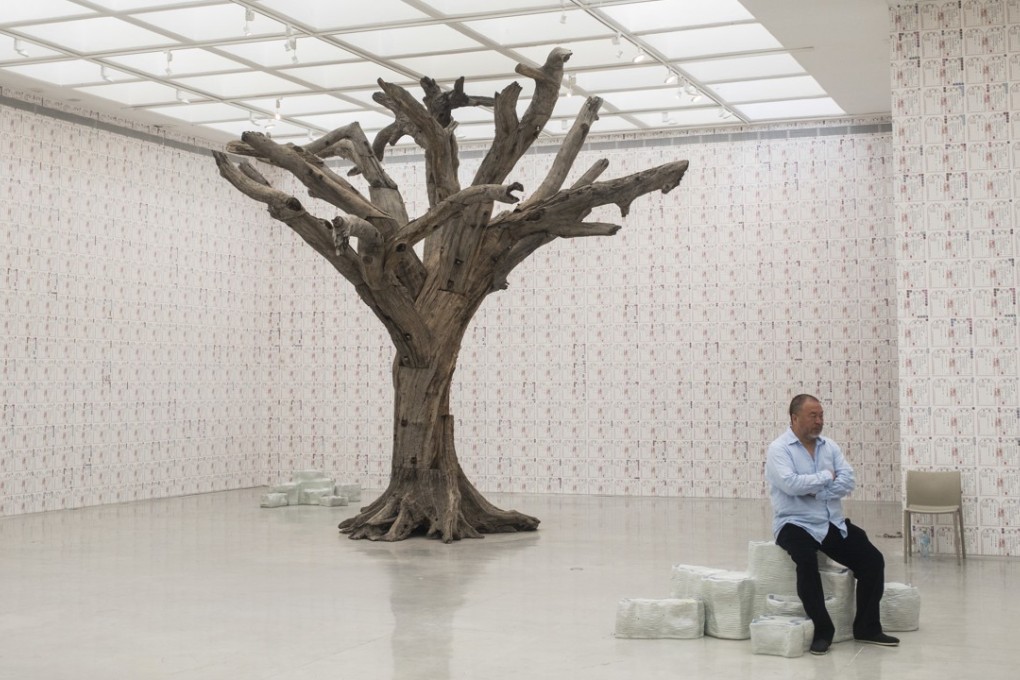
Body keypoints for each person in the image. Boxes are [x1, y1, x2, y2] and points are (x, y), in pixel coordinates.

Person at [765, 394, 900, 656]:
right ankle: (823, 629)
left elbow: (848, 481)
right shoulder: (779, 449)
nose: (819, 421)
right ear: (794, 418)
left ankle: (867, 627)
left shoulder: (829, 447)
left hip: (830, 521)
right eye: (812, 416)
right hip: (794, 522)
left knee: (873, 560)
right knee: (805, 560)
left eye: (821, 415)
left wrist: (817, 491)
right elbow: (790, 484)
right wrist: (827, 476)